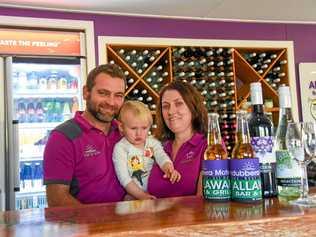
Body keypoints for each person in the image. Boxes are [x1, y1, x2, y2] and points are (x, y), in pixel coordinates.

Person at [43, 64, 126, 207]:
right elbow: (57, 200)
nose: (111, 102)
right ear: (86, 92)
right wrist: (97, 226)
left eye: (118, 95)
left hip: (129, 224)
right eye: (103, 93)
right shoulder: (63, 137)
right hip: (86, 227)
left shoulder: (124, 132)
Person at [147, 80, 208, 198]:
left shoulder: (208, 146)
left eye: (178, 103)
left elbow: (203, 201)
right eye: (165, 106)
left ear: (193, 108)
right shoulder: (157, 147)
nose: (171, 111)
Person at [113, 100, 181, 200]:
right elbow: (124, 179)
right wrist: (142, 196)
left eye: (144, 128)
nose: (139, 133)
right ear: (121, 127)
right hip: (134, 194)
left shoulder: (152, 143)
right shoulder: (121, 148)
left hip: (156, 192)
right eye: (133, 128)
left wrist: (169, 168)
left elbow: (162, 157)